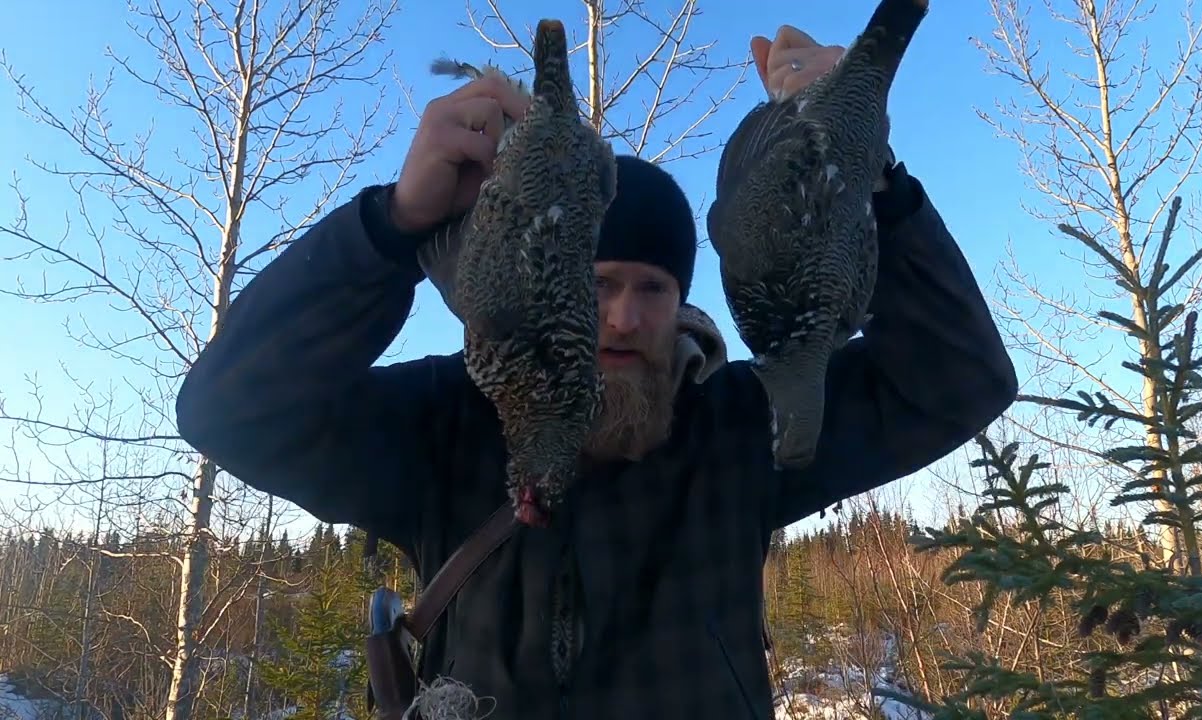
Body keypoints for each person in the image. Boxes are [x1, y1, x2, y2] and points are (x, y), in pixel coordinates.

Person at [175, 24, 1017, 720]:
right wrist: (392, 225)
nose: (623, 315)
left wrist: (869, 174)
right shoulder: (448, 421)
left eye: (652, 288)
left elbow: (958, 375)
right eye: (599, 283)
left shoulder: (738, 428)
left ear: (682, 302)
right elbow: (231, 410)